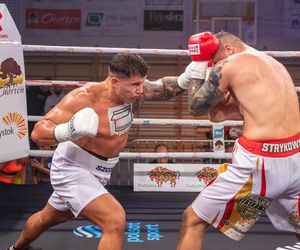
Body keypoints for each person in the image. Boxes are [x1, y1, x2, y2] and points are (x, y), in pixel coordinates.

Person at [8, 52, 188, 250]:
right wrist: (68, 130)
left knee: (48, 217)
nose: (140, 90)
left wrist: (188, 77)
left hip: (101, 169)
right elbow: (38, 132)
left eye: (141, 83)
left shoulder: (135, 91)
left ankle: (17, 247)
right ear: (114, 81)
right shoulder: (84, 98)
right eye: (135, 85)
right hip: (72, 168)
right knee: (114, 220)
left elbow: (163, 88)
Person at [176, 31, 300, 249]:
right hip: (295, 158)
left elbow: (196, 107)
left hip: (261, 164)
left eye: (213, 62)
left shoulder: (231, 64)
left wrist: (197, 65)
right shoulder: (272, 64)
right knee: (297, 224)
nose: (213, 67)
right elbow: (219, 115)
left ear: (229, 50)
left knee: (192, 220)